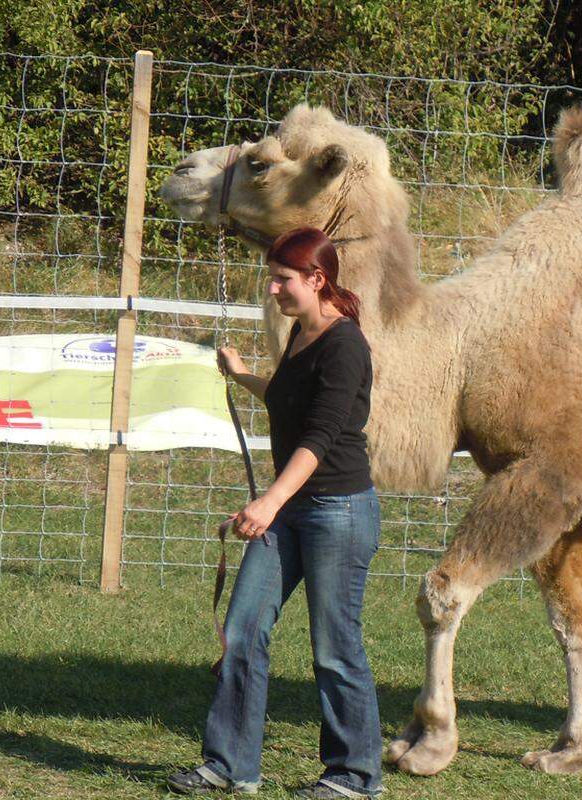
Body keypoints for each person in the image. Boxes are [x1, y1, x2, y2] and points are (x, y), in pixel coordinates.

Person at [167, 226, 383, 799]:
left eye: (282, 278)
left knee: (335, 648)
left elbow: (320, 435)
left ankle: (354, 775)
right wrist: (242, 376)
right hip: (290, 508)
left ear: (317, 279)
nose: (272, 289)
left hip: (337, 511)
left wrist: (268, 501)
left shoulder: (346, 346)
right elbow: (291, 399)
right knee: (242, 632)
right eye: (272, 277)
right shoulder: (300, 334)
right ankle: (231, 766)